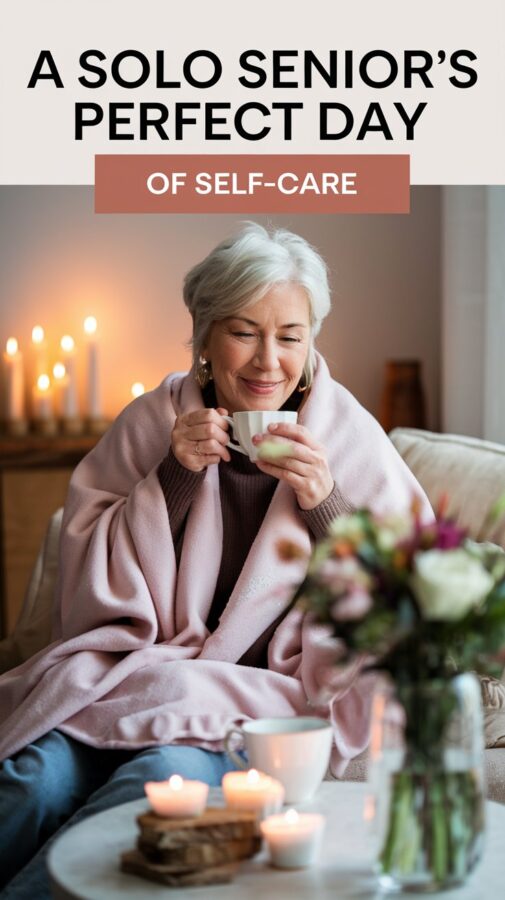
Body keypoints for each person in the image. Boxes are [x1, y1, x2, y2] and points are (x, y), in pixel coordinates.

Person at [0, 222, 431, 897]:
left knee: (148, 787)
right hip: (131, 679)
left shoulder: (348, 438)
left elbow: (408, 594)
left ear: (311, 339)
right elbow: (86, 579)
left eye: (289, 336)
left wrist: (324, 504)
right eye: (242, 332)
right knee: (31, 781)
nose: (267, 362)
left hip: (252, 704)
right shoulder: (151, 423)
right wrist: (170, 477)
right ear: (202, 338)